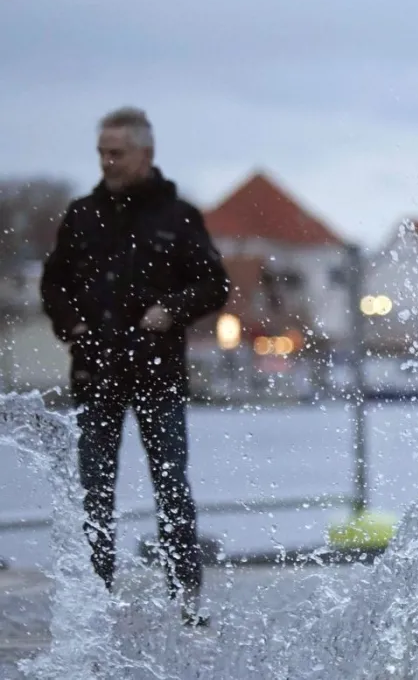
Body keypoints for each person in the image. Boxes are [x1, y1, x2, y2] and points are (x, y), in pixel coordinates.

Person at [40, 107, 230, 625]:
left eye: (117, 152)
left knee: (172, 491)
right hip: (94, 373)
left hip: (157, 373)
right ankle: (92, 602)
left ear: (146, 154)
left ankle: (186, 602)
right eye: (102, 151)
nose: (107, 161)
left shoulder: (179, 217)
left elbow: (215, 285)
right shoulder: (82, 215)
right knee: (94, 494)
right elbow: (54, 284)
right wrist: (72, 326)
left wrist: (171, 310)